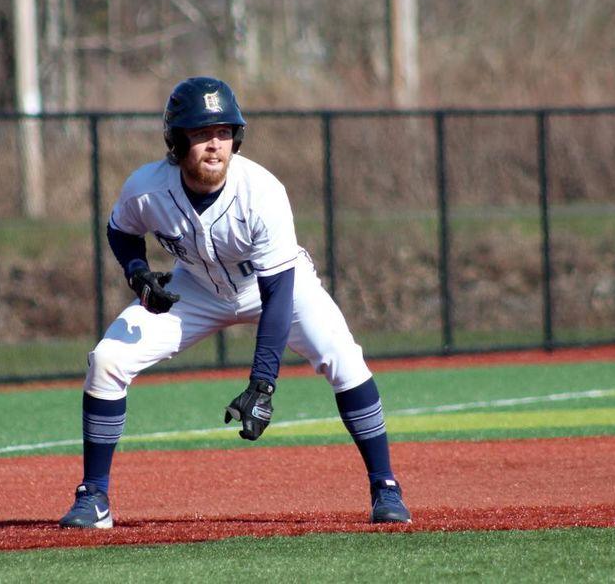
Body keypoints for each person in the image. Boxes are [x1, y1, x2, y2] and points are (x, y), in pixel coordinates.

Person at [59, 76, 411, 529]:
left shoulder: (262, 193)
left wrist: (263, 385)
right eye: (201, 133)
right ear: (176, 140)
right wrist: (137, 272)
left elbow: (279, 295)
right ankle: (95, 498)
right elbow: (121, 230)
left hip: (277, 285)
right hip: (197, 288)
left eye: (223, 132)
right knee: (107, 360)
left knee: (343, 358)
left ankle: (386, 487)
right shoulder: (147, 187)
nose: (214, 145)